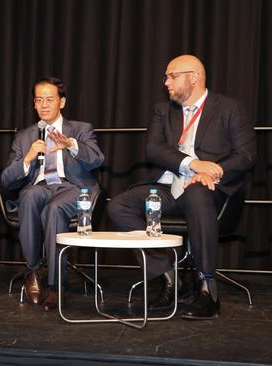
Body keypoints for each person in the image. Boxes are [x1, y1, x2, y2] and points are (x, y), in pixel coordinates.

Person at [107, 55, 256, 320]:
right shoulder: (163, 111)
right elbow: (154, 149)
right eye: (166, 77)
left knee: (198, 193)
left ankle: (207, 289)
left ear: (194, 77)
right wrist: (194, 164)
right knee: (119, 206)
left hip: (209, 190)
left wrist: (214, 169)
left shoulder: (230, 108)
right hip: (167, 189)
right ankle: (169, 278)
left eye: (171, 76)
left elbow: (245, 155)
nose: (166, 82)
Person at [0, 77, 104, 310]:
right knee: (29, 196)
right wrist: (27, 158)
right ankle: (34, 270)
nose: (44, 105)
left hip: (73, 188)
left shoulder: (80, 129)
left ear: (62, 102)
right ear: (34, 105)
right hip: (40, 186)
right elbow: (6, 180)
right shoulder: (25, 136)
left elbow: (97, 159)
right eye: (39, 100)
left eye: (50, 99)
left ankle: (56, 285)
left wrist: (71, 145)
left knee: (54, 209)